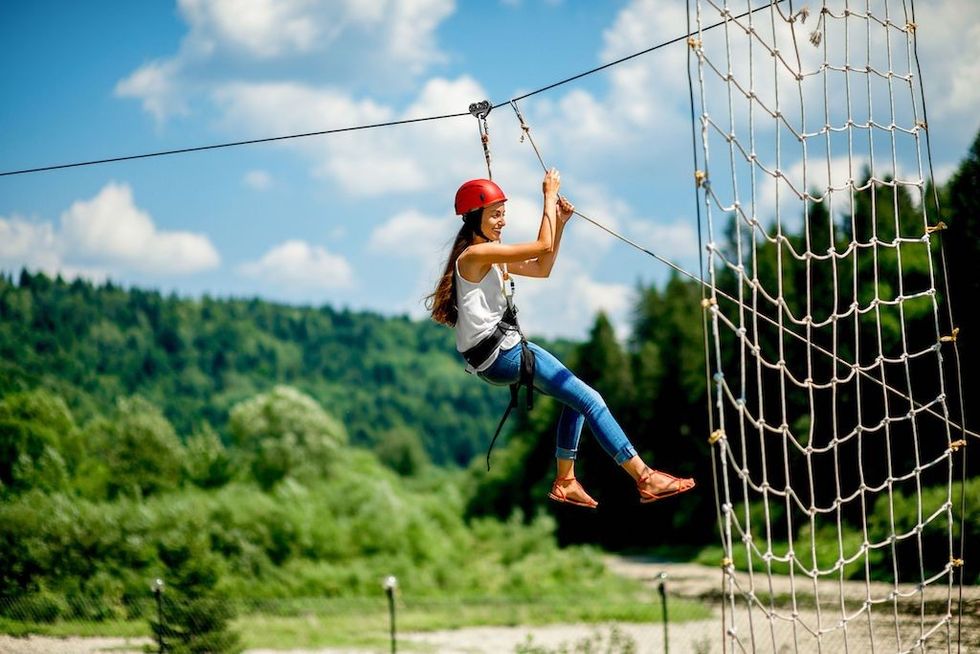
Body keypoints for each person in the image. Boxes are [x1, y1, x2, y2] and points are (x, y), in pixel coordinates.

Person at [426, 169, 695, 509]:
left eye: (503, 214)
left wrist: (560, 222)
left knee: (576, 399)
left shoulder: (491, 258)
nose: (502, 222)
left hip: (495, 358)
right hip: (503, 353)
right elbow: (542, 245)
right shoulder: (476, 256)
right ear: (474, 217)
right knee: (592, 399)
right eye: (496, 214)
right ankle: (645, 477)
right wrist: (549, 196)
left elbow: (542, 266)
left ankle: (566, 480)